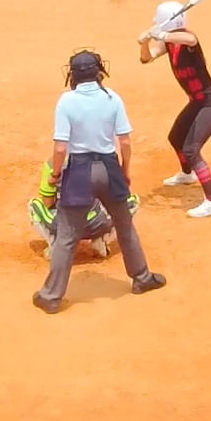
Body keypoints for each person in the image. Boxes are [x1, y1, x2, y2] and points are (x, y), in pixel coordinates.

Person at [33, 49, 167, 314]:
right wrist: (124, 171)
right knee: (125, 226)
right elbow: (125, 142)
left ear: (72, 75)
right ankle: (142, 278)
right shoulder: (112, 98)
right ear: (99, 72)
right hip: (108, 167)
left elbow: (60, 147)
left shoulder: (66, 101)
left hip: (79, 171)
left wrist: (56, 174)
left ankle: (51, 296)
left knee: (67, 236)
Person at [138, 1, 211, 218]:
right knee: (176, 137)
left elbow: (191, 39)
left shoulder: (186, 39)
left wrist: (162, 35)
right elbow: (146, 58)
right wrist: (145, 42)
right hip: (197, 101)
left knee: (191, 149)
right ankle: (187, 174)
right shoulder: (169, 43)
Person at [27, 160, 141, 259]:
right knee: (131, 202)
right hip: (97, 224)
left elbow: (47, 203)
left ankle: (56, 245)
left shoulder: (53, 163)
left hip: (64, 226)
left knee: (33, 205)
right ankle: (101, 240)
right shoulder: (105, 160)